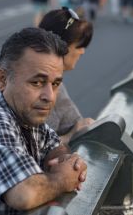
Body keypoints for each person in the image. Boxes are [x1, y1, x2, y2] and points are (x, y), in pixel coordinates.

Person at [0, 28, 87, 214]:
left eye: (55, 84)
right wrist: (63, 178)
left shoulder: (24, 109)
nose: (50, 96)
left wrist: (66, 160)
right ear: (2, 79)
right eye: (37, 82)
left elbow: (54, 145)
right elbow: (24, 194)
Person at [39, 7, 94, 144]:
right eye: (79, 46)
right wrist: (72, 135)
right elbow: (34, 149)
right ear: (60, 46)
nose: (82, 52)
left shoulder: (53, 83)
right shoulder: (45, 89)